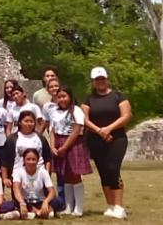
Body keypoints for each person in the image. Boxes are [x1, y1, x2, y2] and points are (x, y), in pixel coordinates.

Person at [82, 66, 132, 220]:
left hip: (117, 138)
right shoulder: (89, 99)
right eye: (97, 80)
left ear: (107, 79)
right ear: (93, 82)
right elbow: (84, 119)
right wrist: (99, 131)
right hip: (96, 139)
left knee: (113, 169)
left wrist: (108, 129)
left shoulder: (118, 96)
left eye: (102, 79)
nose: (100, 82)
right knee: (103, 172)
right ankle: (111, 205)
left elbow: (126, 115)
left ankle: (119, 206)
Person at [49, 86, 91, 216]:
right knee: (65, 176)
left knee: (74, 175)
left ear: (70, 97)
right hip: (58, 142)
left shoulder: (76, 110)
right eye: (59, 97)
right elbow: (52, 130)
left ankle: (78, 207)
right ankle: (68, 206)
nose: (62, 99)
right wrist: (52, 146)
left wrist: (65, 147)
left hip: (72, 144)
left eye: (64, 96)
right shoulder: (54, 112)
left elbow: (76, 130)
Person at [5, 111, 53, 185]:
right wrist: (5, 178)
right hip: (18, 176)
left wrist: (47, 175)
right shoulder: (12, 139)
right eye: (26, 121)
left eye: (31, 121)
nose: (29, 123)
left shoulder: (41, 138)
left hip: (39, 175)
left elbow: (47, 159)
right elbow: (5, 160)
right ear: (20, 122)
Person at [12, 148, 57, 220]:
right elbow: (16, 189)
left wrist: (46, 202)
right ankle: (39, 212)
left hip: (40, 201)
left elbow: (52, 192)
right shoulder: (18, 172)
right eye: (28, 159)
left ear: (38, 160)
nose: (31, 162)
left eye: (33, 159)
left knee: (58, 201)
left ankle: (30, 213)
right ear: (24, 160)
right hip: (26, 202)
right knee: (14, 202)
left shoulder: (43, 172)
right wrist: (22, 203)